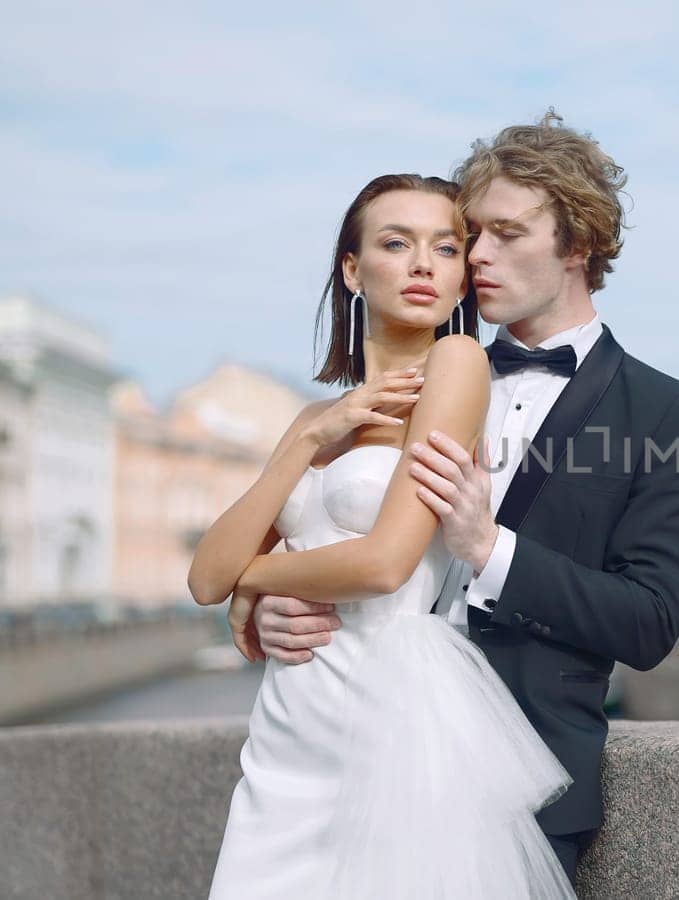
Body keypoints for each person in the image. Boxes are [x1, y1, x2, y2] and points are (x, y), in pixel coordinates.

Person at [243, 111, 679, 883]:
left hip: (518, 781)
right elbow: (317, 533)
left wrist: (490, 548)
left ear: (580, 244)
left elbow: (650, 620)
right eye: (472, 236)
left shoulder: (665, 411)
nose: (476, 257)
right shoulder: (411, 382)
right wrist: (269, 604)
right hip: (339, 743)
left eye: (507, 233)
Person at [189, 173, 576, 898]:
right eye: (396, 244)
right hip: (288, 727)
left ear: (464, 276)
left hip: (386, 708)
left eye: (446, 248)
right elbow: (204, 578)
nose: (424, 264)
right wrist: (307, 442)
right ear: (352, 268)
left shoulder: (457, 366)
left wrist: (256, 579)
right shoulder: (317, 417)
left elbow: (385, 563)